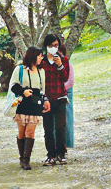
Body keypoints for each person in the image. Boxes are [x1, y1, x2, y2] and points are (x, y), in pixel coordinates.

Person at [9, 46, 50, 170]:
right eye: (39, 56)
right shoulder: (20, 69)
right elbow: (13, 86)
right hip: (22, 103)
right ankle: (22, 157)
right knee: (21, 132)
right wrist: (23, 91)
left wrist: (46, 100)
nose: (41, 58)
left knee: (30, 131)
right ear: (33, 56)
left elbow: (43, 89)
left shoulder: (41, 71)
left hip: (35, 104)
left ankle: (26, 159)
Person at [39, 33, 70, 166]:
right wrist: (44, 97)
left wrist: (60, 65)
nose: (54, 48)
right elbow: (39, 81)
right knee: (48, 129)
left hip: (60, 97)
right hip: (46, 99)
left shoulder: (64, 59)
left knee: (60, 127)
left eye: (56, 45)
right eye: (51, 45)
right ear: (46, 46)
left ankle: (61, 154)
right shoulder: (41, 61)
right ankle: (50, 155)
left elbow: (65, 78)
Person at [64, 46, 74, 152]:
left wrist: (58, 88)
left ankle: (65, 147)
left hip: (66, 93)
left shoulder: (68, 65)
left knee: (67, 121)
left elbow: (71, 81)